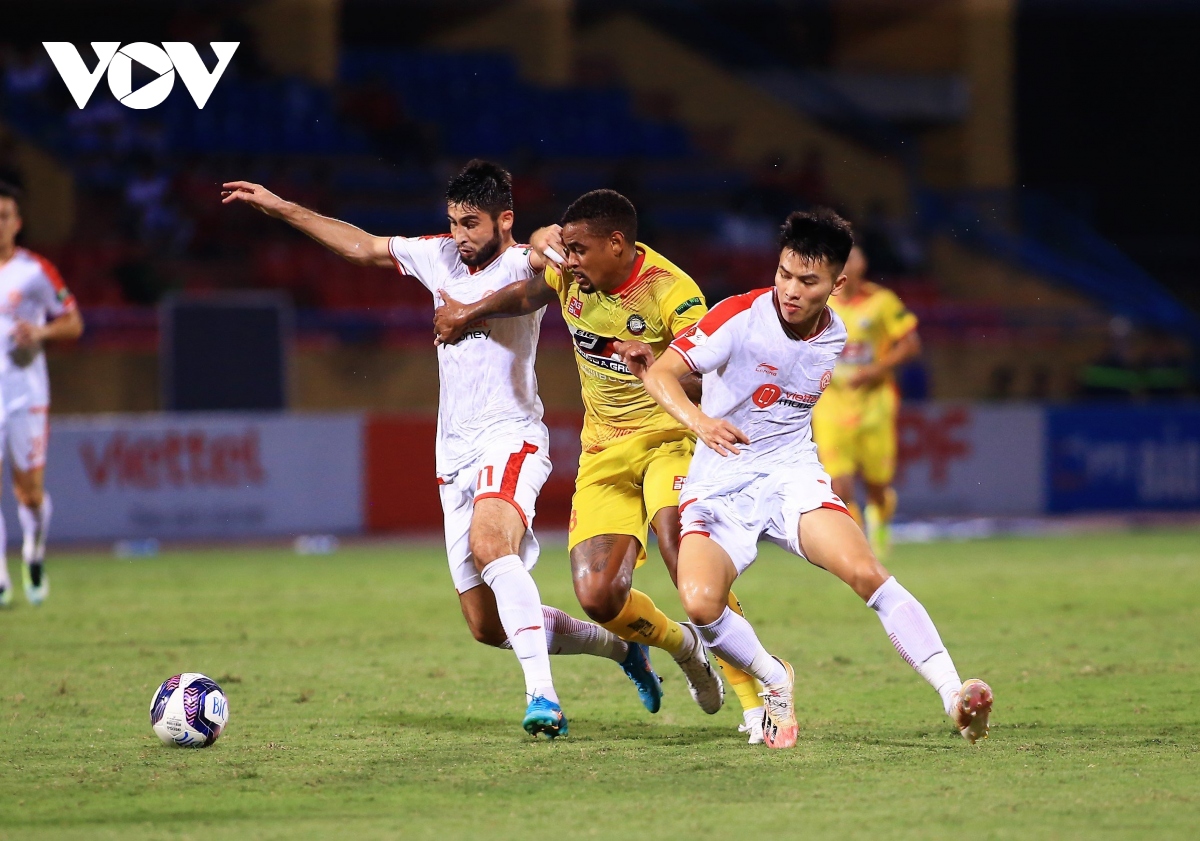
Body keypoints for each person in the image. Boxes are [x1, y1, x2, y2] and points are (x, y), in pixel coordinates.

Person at [222, 161, 661, 739]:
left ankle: (544, 698)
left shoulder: (526, 261)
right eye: (453, 222)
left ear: (505, 219)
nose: (460, 235)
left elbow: (548, 243)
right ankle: (622, 650)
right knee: (485, 625)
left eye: (471, 223)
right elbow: (362, 247)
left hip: (511, 436)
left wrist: (542, 237)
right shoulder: (440, 257)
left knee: (490, 545)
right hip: (452, 454)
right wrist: (282, 208)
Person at [640, 209, 992, 750]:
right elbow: (664, 372)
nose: (791, 290)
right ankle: (774, 676)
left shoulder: (836, 334)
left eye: (808, 281)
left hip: (791, 476)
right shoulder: (737, 316)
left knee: (866, 571)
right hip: (719, 482)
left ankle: (953, 694)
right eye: (784, 274)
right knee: (700, 604)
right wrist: (702, 422)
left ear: (837, 284)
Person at [435, 190, 768, 739]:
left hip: (669, 440)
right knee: (598, 596)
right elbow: (526, 294)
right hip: (602, 453)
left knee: (682, 552)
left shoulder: (671, 291)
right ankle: (682, 645)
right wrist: (468, 312)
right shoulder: (571, 272)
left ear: (618, 244)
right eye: (566, 248)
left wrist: (658, 368)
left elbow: (713, 372)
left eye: (580, 249)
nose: (571, 260)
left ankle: (756, 697)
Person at [0, 181, 85, 608]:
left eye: (4, 216)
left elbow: (74, 322)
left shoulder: (35, 271)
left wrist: (40, 332)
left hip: (25, 394)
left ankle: (33, 549)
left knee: (27, 492)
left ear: (17, 222)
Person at [811, 246, 921, 560]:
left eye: (851, 259)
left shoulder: (882, 302)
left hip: (875, 405)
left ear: (862, 265)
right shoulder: (820, 303)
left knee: (877, 486)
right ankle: (860, 549)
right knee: (839, 485)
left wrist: (875, 370)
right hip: (831, 405)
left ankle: (881, 518)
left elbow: (911, 344)